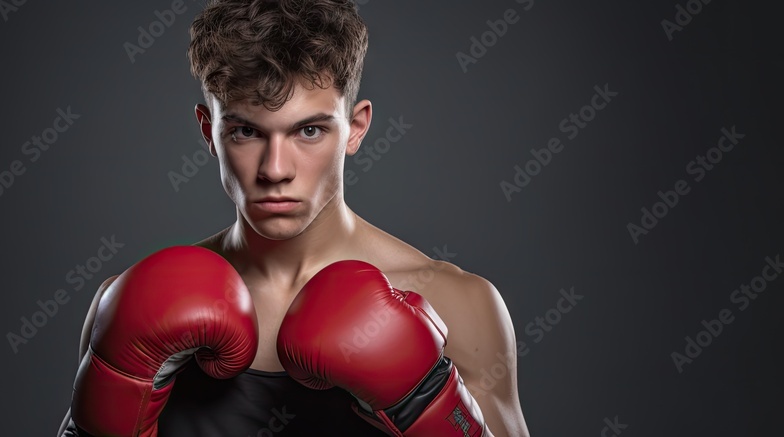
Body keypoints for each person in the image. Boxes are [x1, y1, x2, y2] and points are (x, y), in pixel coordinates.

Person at [59, 1, 530, 435]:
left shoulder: (458, 302)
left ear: (356, 128)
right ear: (209, 131)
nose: (275, 169)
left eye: (309, 130)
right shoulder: (129, 305)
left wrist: (424, 397)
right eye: (246, 131)